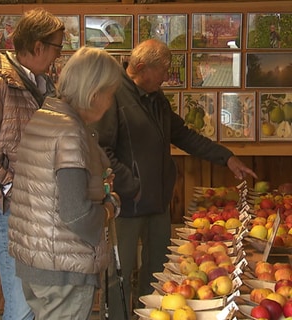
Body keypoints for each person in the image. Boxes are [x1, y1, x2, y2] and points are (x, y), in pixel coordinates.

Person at [91, 38, 258, 320]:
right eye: (164, 70)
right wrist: (132, 185)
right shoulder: (112, 94)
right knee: (117, 276)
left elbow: (184, 136)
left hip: (157, 203)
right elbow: (101, 151)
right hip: (125, 206)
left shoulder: (156, 98)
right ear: (141, 67)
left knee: (157, 275)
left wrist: (226, 157)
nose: (167, 77)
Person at [8, 46, 122, 320]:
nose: (111, 103)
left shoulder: (46, 116)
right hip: (63, 268)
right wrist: (109, 208)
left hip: (37, 260)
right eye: (111, 94)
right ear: (95, 95)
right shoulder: (71, 132)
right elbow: (77, 214)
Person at [0, 8, 65, 320]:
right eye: (57, 47)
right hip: (5, 209)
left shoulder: (37, 84)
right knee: (22, 304)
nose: (58, 55)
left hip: (27, 208)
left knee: (33, 300)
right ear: (38, 47)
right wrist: (13, 189)